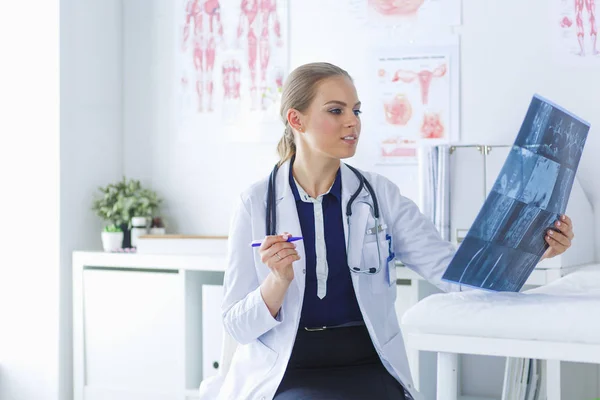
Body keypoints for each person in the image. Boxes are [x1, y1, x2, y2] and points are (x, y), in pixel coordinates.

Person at [200, 62, 575, 400]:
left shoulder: (379, 195)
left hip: (370, 365)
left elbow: (451, 270)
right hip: (289, 372)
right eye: (336, 110)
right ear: (296, 120)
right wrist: (275, 284)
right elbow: (237, 325)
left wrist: (530, 249)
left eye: (356, 110)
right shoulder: (255, 203)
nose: (353, 121)